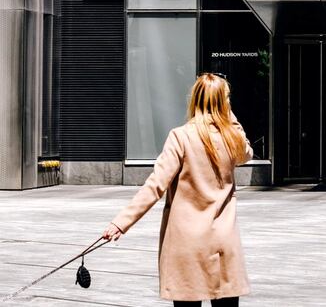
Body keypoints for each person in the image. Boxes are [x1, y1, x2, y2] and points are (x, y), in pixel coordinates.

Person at [102, 73, 253, 307]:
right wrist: (229, 116)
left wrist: (121, 222)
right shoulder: (231, 137)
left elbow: (156, 184)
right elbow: (246, 153)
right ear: (224, 102)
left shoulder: (180, 137)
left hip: (186, 244)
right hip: (223, 243)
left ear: (195, 99)